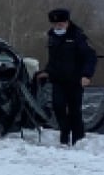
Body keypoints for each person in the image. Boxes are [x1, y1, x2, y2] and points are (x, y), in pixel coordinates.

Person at [36, 8, 97, 146]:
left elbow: (90, 57)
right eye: (55, 25)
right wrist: (47, 72)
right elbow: (53, 60)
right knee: (58, 107)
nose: (58, 27)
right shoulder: (52, 37)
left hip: (75, 81)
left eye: (61, 24)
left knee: (75, 111)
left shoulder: (78, 36)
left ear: (67, 22)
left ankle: (78, 140)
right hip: (58, 80)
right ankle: (64, 132)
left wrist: (87, 75)